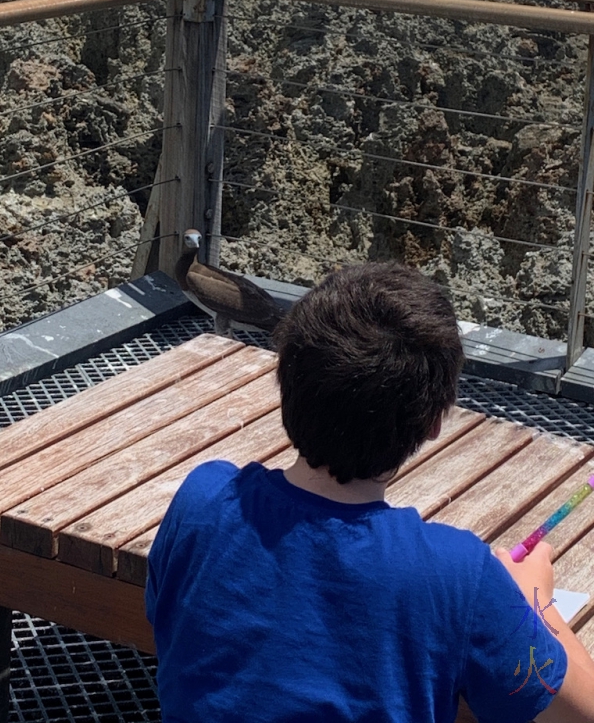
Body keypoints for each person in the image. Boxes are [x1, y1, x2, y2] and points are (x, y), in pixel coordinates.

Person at [146, 262, 594, 722]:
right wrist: (537, 605)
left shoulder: (202, 500)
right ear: (437, 420)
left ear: (285, 387)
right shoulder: (457, 575)